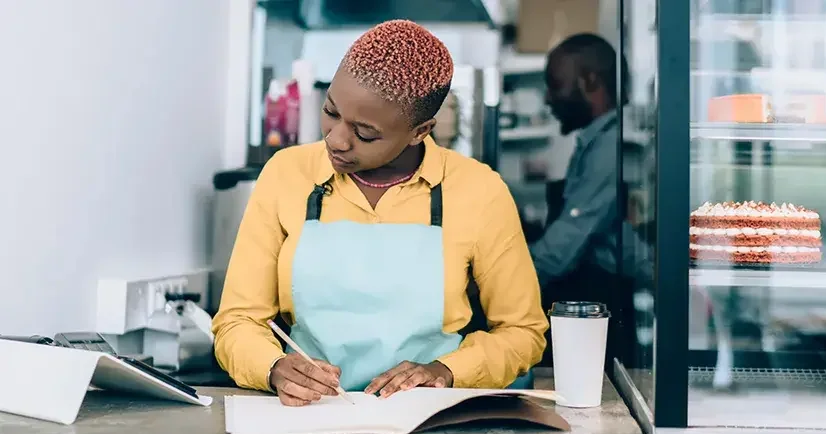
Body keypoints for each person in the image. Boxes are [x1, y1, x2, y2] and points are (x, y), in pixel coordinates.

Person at [211, 20, 548, 406]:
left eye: (365, 133)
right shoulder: (286, 175)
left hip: (427, 426)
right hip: (308, 418)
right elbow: (236, 322)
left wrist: (445, 372)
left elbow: (523, 332)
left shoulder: (479, 191)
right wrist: (272, 367)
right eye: (330, 112)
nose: (335, 139)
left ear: (420, 131)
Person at [529, 33, 644, 365]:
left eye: (555, 84)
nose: (549, 98)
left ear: (590, 81)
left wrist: (502, 284)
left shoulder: (610, 148)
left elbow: (564, 247)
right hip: (592, 298)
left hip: (602, 302)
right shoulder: (595, 143)